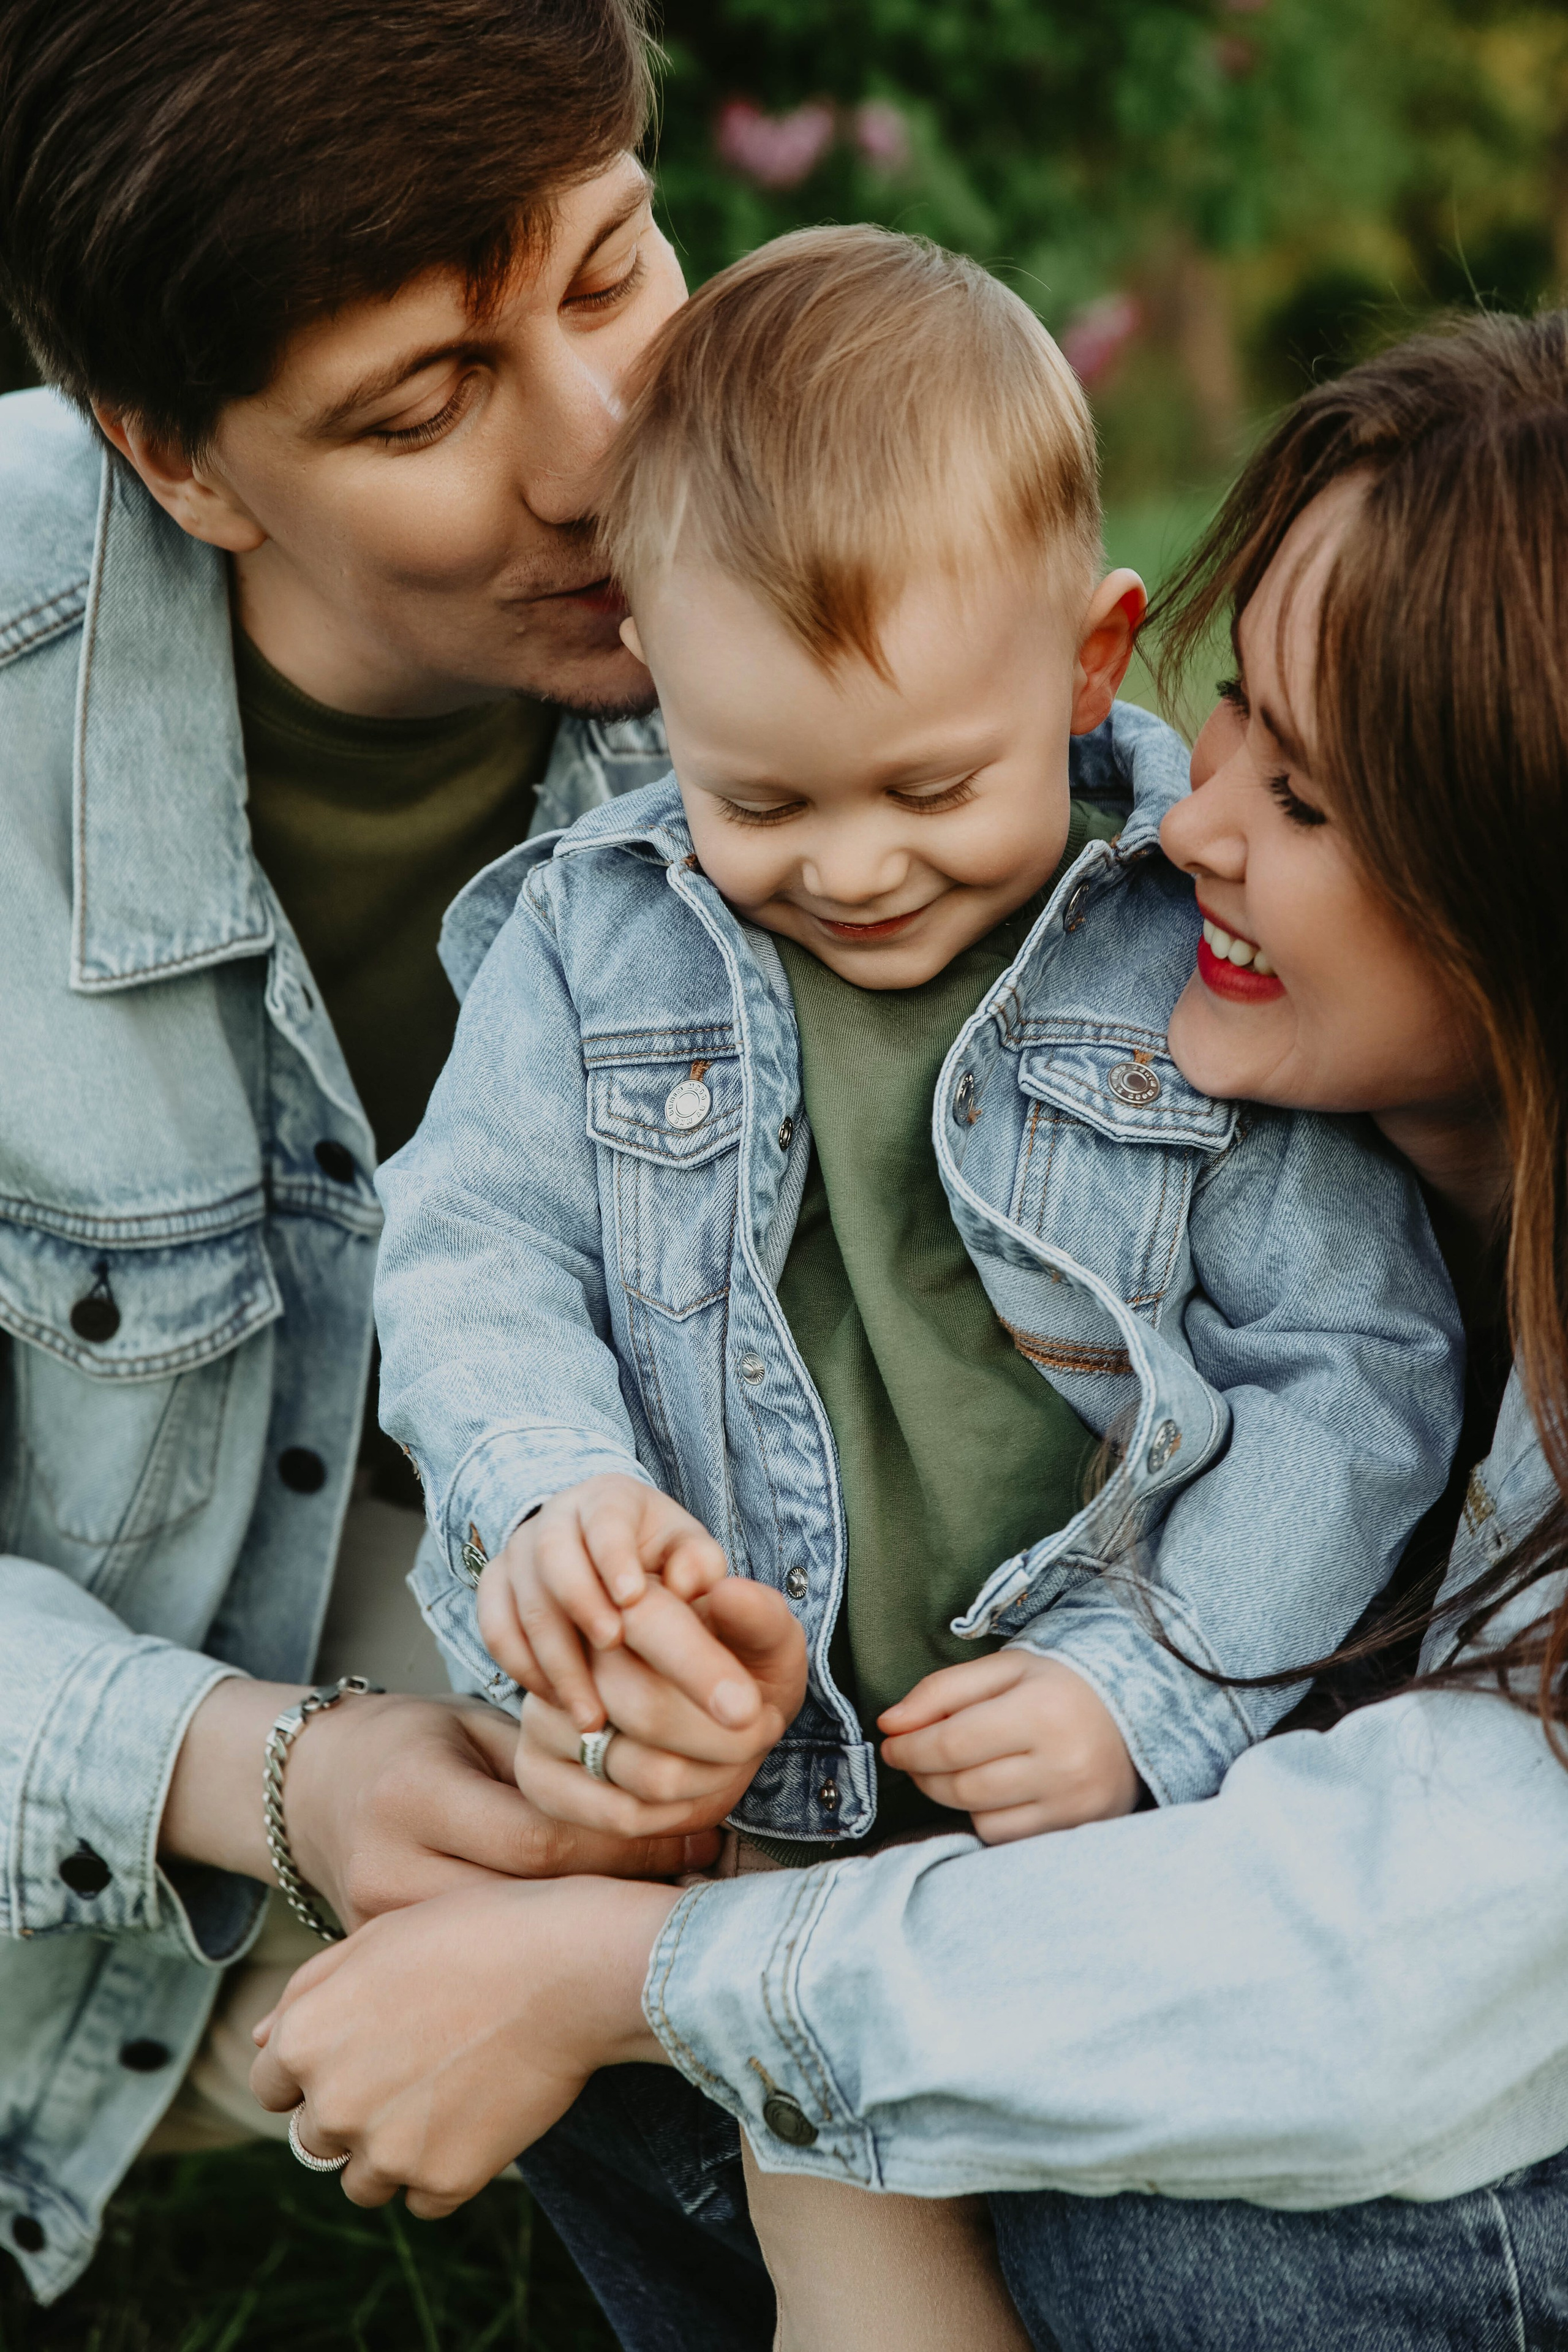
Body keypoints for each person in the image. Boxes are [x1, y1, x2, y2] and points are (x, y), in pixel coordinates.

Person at [255, 309, 1568, 2351]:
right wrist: (562, 1514)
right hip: (789, 1758)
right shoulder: (608, 932)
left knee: (1120, 2226)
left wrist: (1139, 1685)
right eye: (1238, 717)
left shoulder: (1153, 984)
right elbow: (477, 1249)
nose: (1193, 826)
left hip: (1127, 1805)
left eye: (1307, 802)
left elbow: (1391, 1900)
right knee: (561, 1990)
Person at [0, 0, 701, 2305]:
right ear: (176, 460)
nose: (604, 459)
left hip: (508, 1631)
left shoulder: (824, 550)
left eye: (615, 272)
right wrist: (272, 1774)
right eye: (423, 406)